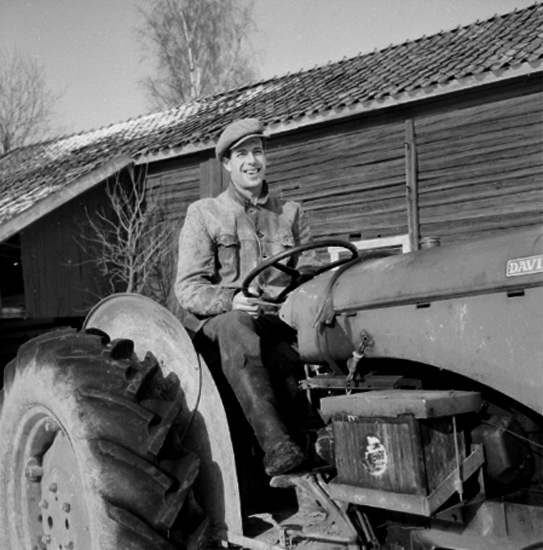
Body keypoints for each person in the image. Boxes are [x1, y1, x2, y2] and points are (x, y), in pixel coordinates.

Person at [175, 118, 318, 477]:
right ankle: (277, 445)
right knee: (238, 325)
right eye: (241, 154)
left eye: (258, 151)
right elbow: (189, 288)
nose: (252, 161)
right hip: (222, 327)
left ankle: (324, 439)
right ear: (227, 163)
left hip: (276, 321)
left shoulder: (291, 213)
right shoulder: (205, 213)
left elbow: (311, 272)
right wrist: (230, 300)